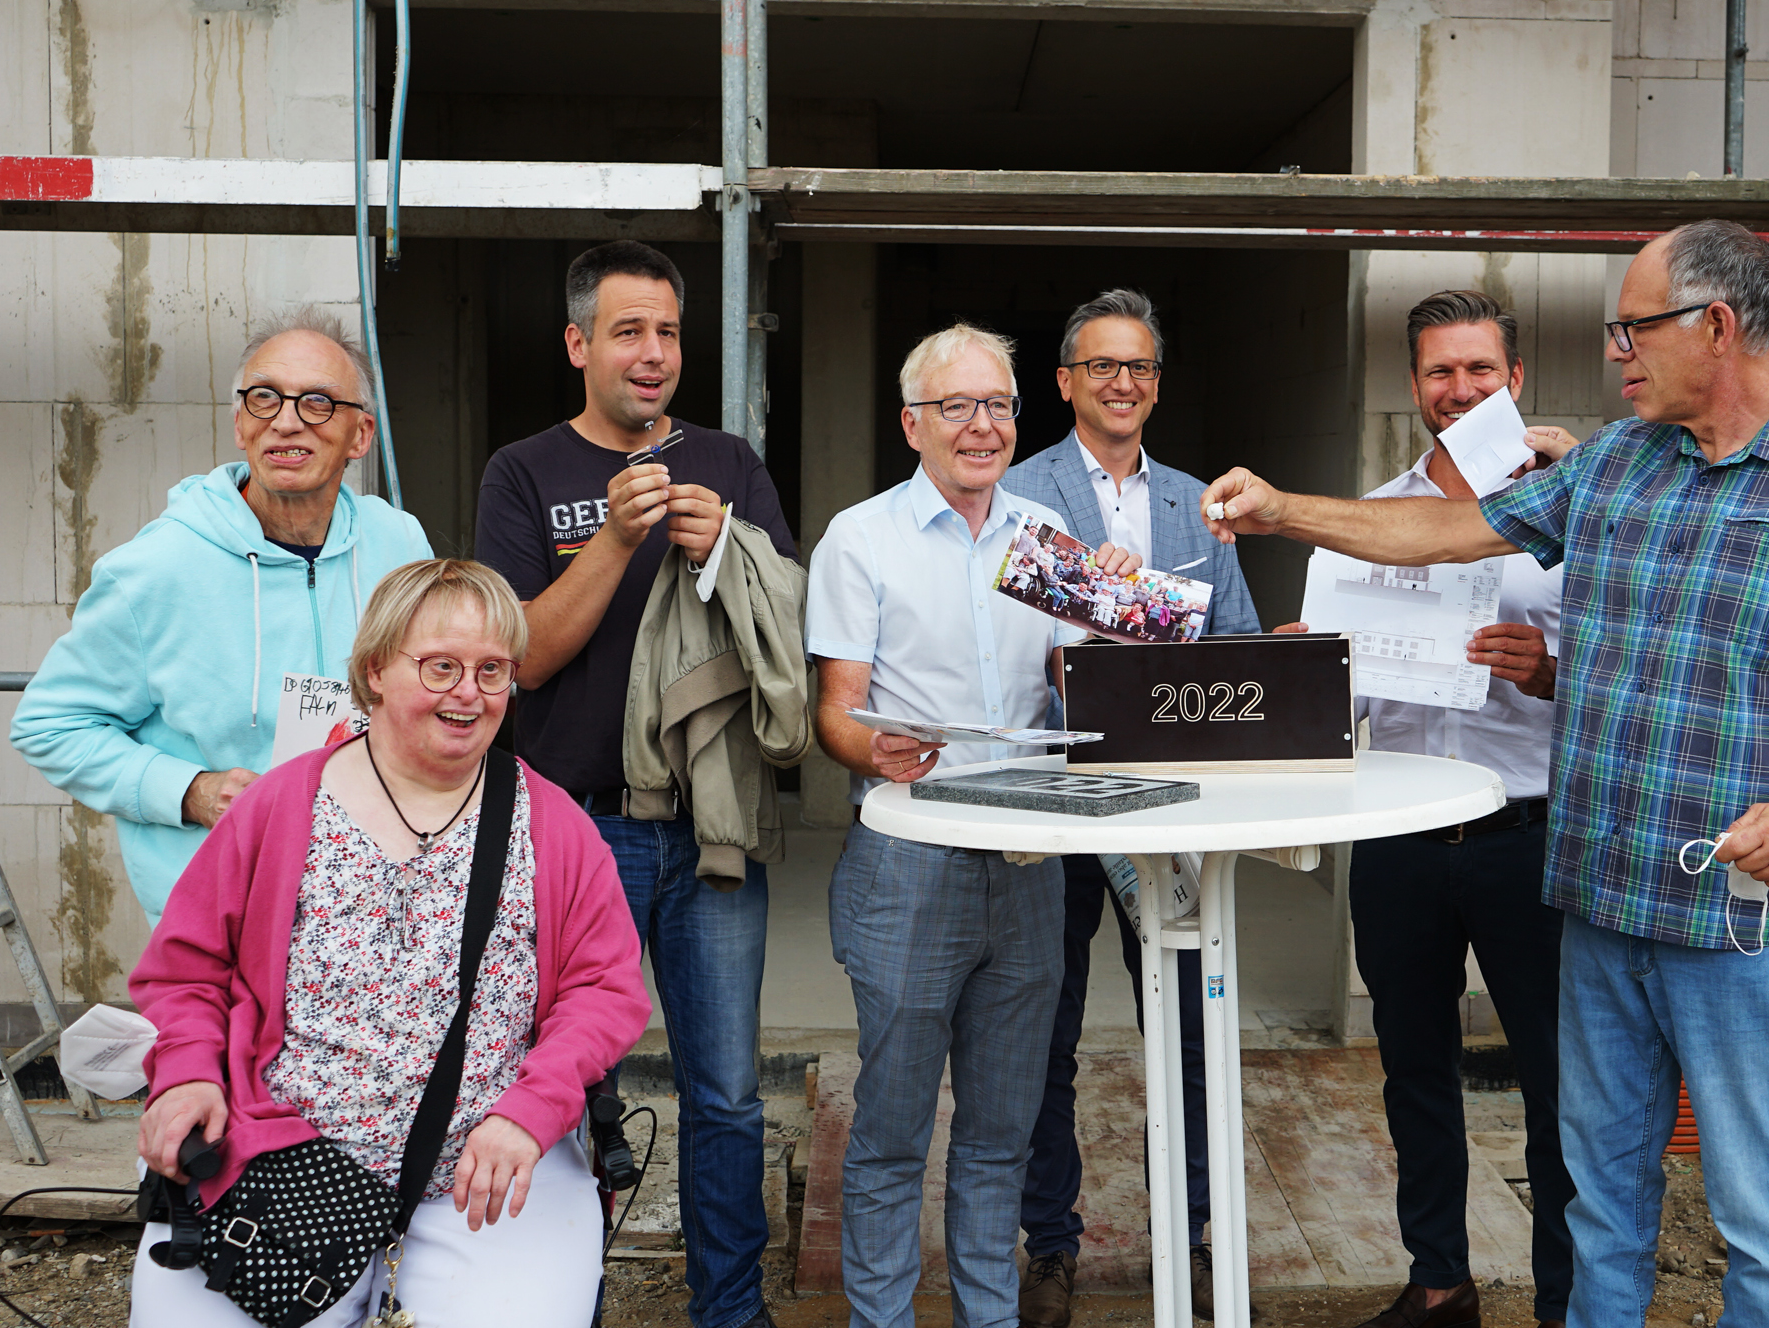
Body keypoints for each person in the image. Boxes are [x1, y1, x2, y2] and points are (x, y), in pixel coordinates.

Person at [1198, 220, 1769, 1328]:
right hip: (1602, 904)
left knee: (1757, 1223)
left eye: (1633, 328)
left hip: (1741, 923)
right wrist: (1283, 511)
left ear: (1715, 326)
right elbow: (1451, 533)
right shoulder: (1617, 461)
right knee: (1602, 1207)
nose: (1616, 351)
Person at [127, 558, 650, 1328]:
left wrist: (530, 1110)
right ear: (375, 670)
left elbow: (604, 988)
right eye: (441, 666)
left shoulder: (553, 822)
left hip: (481, 1173)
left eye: (492, 670)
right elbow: (186, 971)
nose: (468, 692)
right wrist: (185, 1075)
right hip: (278, 1155)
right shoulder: (279, 805)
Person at [473, 240, 800, 1328]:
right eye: (627, 331)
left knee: (725, 1098)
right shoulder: (522, 473)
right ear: (577, 345)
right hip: (571, 833)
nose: (652, 353)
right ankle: (555, 1300)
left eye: (665, 331)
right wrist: (615, 540)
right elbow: (515, 656)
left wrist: (722, 553)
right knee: (558, 1090)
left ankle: (731, 1310)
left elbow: (787, 627)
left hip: (708, 833)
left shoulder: (731, 460)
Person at [807, 323, 1141, 1328]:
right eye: (957, 406)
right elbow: (835, 709)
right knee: (893, 1133)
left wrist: (1110, 616)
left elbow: (1086, 690)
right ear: (913, 424)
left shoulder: (1046, 540)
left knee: (1002, 1133)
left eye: (996, 405)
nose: (982, 425)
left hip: (1031, 853)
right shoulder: (860, 539)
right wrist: (873, 749)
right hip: (910, 855)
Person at [1272, 289, 1577, 1328]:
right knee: (1412, 1069)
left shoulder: (1571, 506)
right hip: (1399, 835)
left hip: (1527, 836)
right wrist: (1306, 662)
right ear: (1413, 387)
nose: (1459, 390)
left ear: (1514, 379)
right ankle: (1439, 1279)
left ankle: (1564, 1298)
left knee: (1556, 1086)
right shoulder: (1372, 520)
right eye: (1439, 372)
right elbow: (1345, 689)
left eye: (1479, 370)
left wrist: (1549, 670)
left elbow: (1638, 671)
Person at [1002, 288, 1262, 1325]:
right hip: (1051, 804)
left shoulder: (1201, 504)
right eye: (1102, 366)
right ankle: (1049, 1246)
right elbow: (997, 660)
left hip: (1169, 811)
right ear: (1063, 383)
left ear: (1158, 383)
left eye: (1140, 367)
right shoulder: (1012, 493)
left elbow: (1235, 648)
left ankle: (1194, 1237)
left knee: (1187, 1029)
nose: (1123, 383)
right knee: (1042, 1034)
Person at [12, 309, 432, 924]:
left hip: (380, 905)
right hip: (223, 917)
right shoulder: (155, 569)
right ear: (240, 423)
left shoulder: (399, 543)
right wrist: (192, 791)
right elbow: (50, 725)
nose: (286, 422)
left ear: (360, 436)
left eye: (317, 402)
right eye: (264, 399)